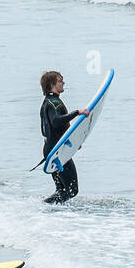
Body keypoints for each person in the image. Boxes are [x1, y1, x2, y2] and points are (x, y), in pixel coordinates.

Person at [39, 70, 89, 204]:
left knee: (61, 189)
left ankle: (51, 210)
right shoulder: (54, 103)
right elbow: (56, 121)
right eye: (60, 81)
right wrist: (77, 112)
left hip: (51, 150)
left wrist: (74, 141)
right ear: (52, 84)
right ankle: (45, 206)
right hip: (58, 153)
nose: (63, 83)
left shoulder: (47, 102)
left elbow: (49, 130)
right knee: (72, 190)